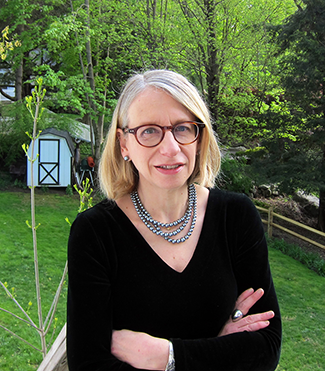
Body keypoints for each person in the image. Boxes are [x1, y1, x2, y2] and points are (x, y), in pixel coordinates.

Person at [67, 70, 282, 371]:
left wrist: (168, 356)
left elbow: (266, 348)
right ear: (124, 144)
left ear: (199, 137)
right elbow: (89, 364)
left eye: (182, 128)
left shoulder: (235, 216)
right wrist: (218, 347)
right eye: (149, 131)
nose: (170, 148)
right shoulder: (96, 233)